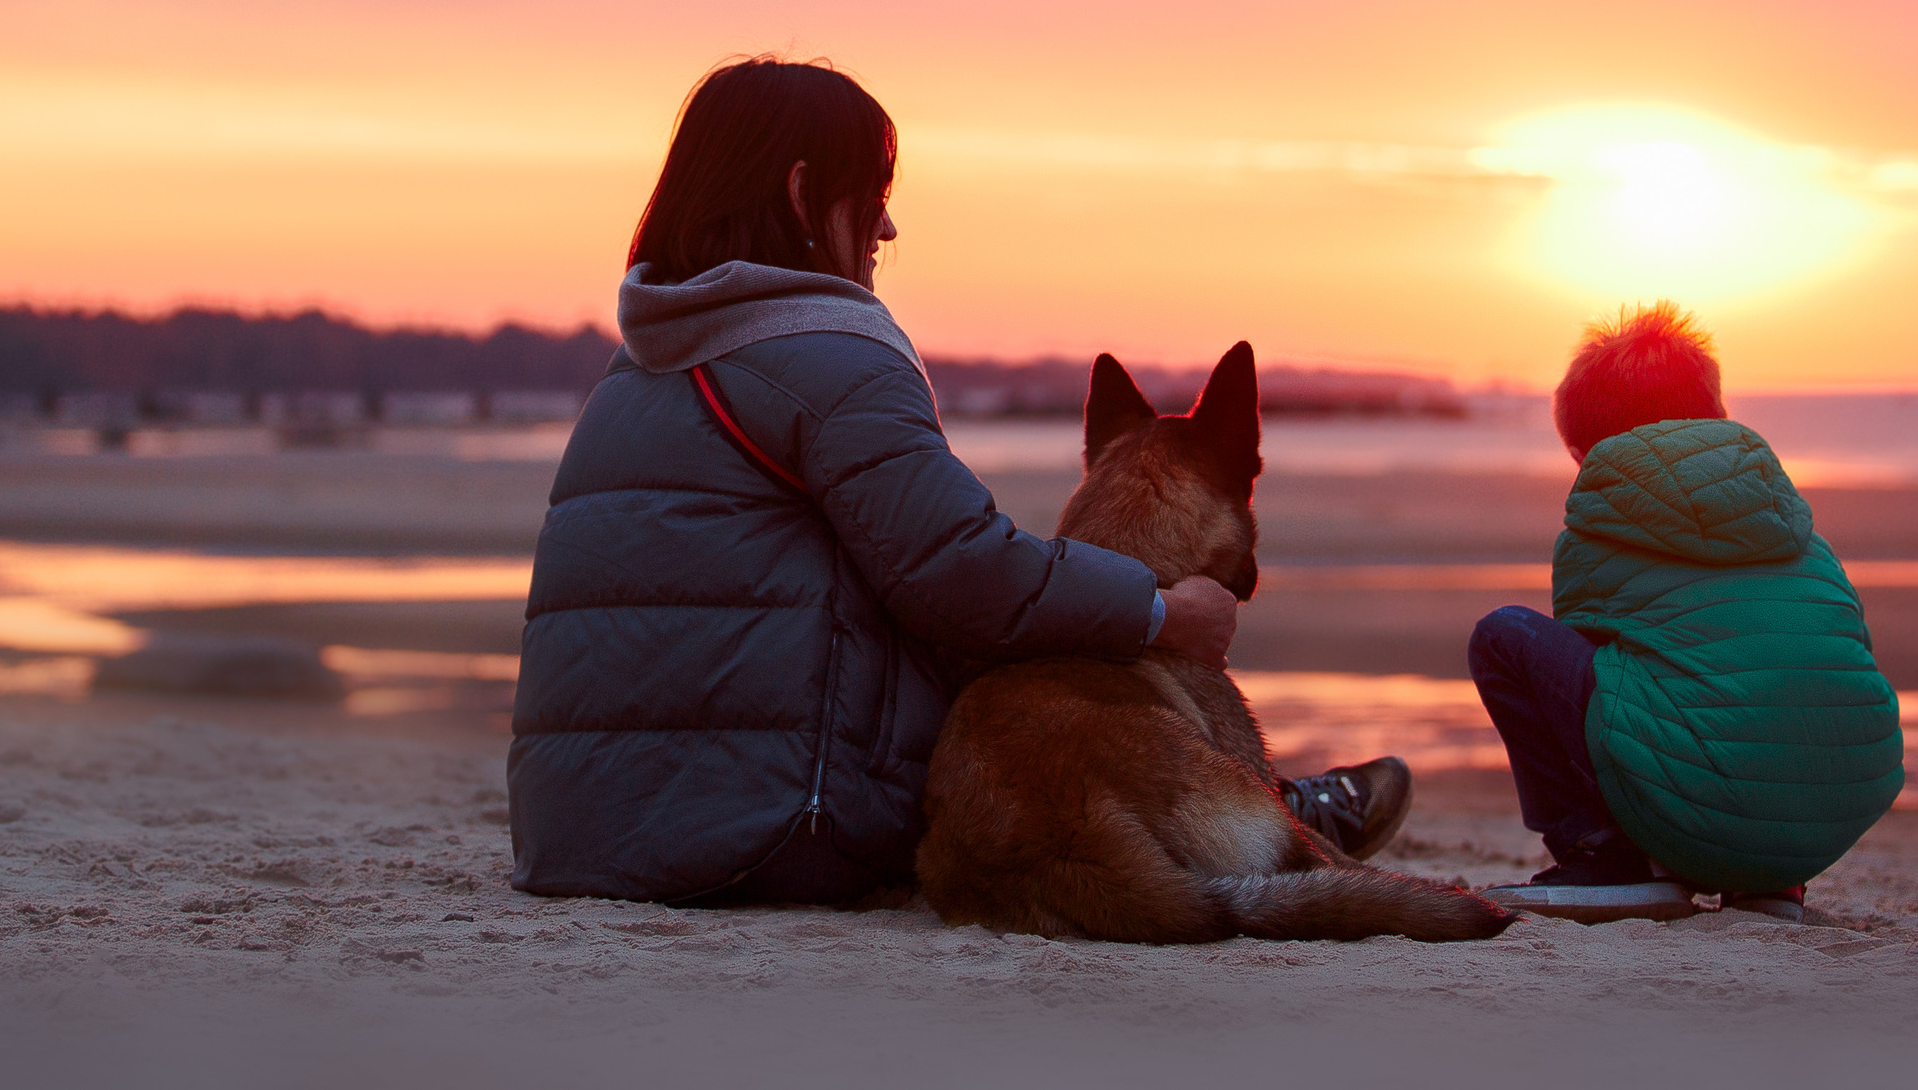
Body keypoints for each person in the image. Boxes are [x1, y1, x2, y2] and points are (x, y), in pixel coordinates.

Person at [508, 56, 1404, 906]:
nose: (888, 229)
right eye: (877, 197)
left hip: (578, 835)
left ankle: (1258, 797)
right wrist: (1159, 610)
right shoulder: (830, 355)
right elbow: (966, 576)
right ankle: (1263, 807)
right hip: (770, 833)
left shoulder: (633, 376)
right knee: (1022, 651)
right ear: (801, 193)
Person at [1472, 302, 1903, 923]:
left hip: (1704, 806)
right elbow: (1841, 638)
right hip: (1833, 814)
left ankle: (1602, 856)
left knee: (1505, 637)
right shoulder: (1794, 522)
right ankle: (1775, 886)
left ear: (1589, 451)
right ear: (1716, 414)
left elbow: (1599, 685)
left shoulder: (1600, 522)